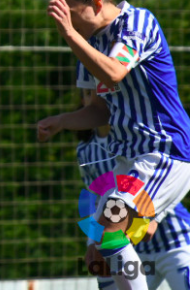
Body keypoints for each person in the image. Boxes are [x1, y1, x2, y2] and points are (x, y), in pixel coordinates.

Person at [37, 0, 190, 290]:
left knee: (111, 232)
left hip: (162, 152)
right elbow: (102, 112)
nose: (69, 28)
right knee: (99, 253)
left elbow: (116, 73)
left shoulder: (137, 23)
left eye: (73, 18)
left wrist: (71, 35)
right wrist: (61, 121)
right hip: (127, 160)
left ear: (95, 4)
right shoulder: (88, 45)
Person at [76, 87, 190, 289]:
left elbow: (164, 185)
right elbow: (95, 201)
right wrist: (93, 243)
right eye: (87, 93)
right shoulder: (86, 151)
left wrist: (143, 223)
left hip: (173, 239)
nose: (95, 97)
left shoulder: (137, 138)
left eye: (99, 92)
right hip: (133, 247)